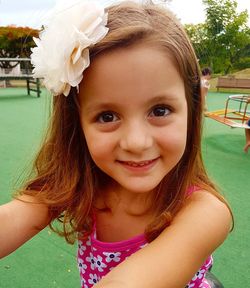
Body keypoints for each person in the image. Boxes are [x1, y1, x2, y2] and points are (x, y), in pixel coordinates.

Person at [0, 1, 232, 288]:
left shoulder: (205, 212)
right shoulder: (80, 186)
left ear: (191, 109)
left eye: (159, 110)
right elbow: (9, 220)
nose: (136, 142)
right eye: (107, 116)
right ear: (78, 125)